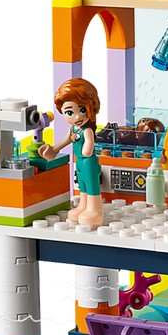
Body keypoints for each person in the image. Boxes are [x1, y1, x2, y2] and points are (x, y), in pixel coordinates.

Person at [39, 78, 104, 228]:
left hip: (88, 161)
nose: (77, 117)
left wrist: (87, 149)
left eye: (82, 110)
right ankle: (83, 206)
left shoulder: (87, 130)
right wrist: (53, 150)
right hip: (79, 161)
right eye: (69, 112)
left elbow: (89, 143)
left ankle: (95, 209)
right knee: (82, 184)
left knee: (91, 184)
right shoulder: (73, 129)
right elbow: (65, 141)